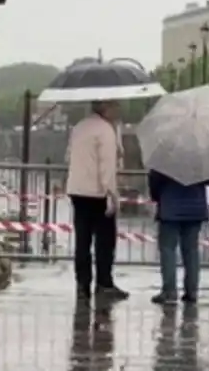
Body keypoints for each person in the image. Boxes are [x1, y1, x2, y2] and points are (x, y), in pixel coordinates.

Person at [66, 100, 129, 301]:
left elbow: (69, 156)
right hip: (98, 193)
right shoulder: (106, 131)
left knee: (82, 241)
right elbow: (106, 166)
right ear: (106, 108)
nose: (118, 110)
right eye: (115, 106)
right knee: (104, 241)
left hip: (77, 190)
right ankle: (104, 283)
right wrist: (111, 193)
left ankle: (82, 285)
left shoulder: (79, 127)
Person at [148, 170, 209, 305]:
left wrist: (156, 196)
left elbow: (155, 179)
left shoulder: (165, 155)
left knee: (168, 249)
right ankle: (192, 291)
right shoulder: (200, 155)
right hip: (195, 206)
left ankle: (169, 291)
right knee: (191, 250)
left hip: (170, 206)